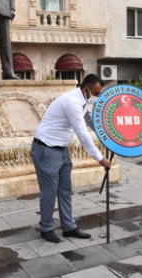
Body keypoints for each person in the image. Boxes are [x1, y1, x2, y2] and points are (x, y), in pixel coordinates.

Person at [32, 74, 112, 243]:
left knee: (65, 190)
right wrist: (100, 158)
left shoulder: (81, 100)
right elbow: (82, 133)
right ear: (86, 89)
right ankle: (46, 228)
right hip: (47, 149)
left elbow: (89, 119)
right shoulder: (72, 102)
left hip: (61, 149)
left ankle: (68, 227)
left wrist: (106, 134)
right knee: (49, 192)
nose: (97, 97)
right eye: (96, 93)